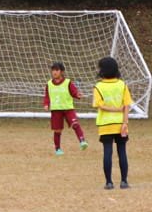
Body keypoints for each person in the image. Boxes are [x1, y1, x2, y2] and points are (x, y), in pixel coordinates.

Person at [92, 57, 132, 190]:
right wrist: (125, 122)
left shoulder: (98, 87)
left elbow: (99, 105)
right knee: (122, 152)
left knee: (107, 152)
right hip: (121, 123)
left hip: (105, 124)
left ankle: (109, 182)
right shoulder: (122, 85)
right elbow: (127, 105)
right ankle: (124, 181)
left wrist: (113, 109)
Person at [43, 62, 88, 155]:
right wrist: (46, 104)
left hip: (68, 109)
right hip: (56, 110)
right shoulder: (49, 84)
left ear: (62, 71)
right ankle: (58, 149)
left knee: (75, 124)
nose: (54, 72)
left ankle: (82, 141)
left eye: (57, 70)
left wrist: (77, 95)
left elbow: (74, 92)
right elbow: (47, 96)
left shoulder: (68, 82)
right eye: (53, 70)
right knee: (57, 130)